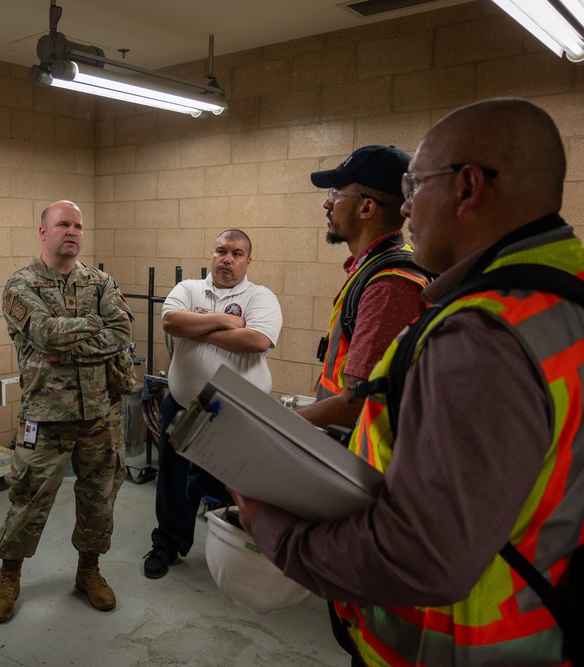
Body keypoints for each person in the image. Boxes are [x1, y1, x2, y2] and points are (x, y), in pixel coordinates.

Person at [230, 97, 584, 666]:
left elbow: (421, 556)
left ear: (468, 188)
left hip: (461, 646)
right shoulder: (559, 295)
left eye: (415, 185)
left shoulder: (482, 336)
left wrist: (270, 526)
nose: (407, 207)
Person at [0, 200, 134, 623]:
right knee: (28, 498)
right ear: (43, 232)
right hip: (45, 416)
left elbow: (122, 330)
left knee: (100, 497)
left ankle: (89, 570)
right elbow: (45, 334)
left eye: (78, 225)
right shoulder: (21, 285)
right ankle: (9, 575)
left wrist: (72, 338)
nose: (72, 231)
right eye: (63, 224)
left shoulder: (100, 281)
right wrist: (94, 325)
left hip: (101, 414)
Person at [142, 229, 282, 579]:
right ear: (211, 254)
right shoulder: (188, 289)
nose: (227, 259)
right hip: (184, 405)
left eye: (237, 253)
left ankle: (234, 555)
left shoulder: (260, 296)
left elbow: (256, 340)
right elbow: (171, 321)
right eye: (221, 250)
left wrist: (196, 327)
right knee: (173, 480)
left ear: (248, 261)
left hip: (237, 413)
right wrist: (221, 320)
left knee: (235, 487)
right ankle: (167, 543)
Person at [297, 145, 431, 430]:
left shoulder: (389, 285)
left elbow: (358, 402)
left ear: (366, 207)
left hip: (357, 455)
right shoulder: (371, 268)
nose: (327, 204)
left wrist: (281, 423)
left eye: (336, 194)